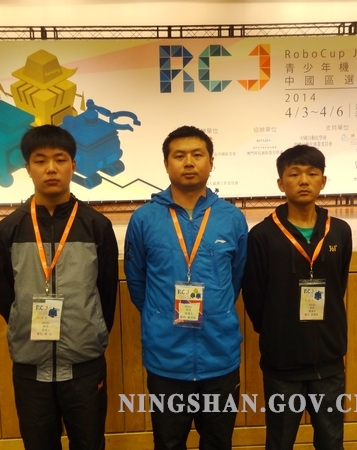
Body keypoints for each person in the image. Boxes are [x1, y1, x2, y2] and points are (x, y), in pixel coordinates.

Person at [0, 124, 119, 450]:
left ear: (73, 165)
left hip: (84, 365)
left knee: (89, 443)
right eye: (40, 160)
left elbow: (106, 291)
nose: (51, 168)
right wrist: (21, 321)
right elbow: (1, 289)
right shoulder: (9, 228)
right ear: (27, 167)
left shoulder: (96, 226)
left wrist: (90, 329)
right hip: (31, 366)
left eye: (60, 160)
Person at [124, 125, 248, 450]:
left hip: (219, 354)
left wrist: (217, 310)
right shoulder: (144, 219)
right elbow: (137, 282)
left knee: (218, 442)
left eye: (197, 155)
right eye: (179, 156)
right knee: (168, 442)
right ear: (166, 164)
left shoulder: (231, 218)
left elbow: (236, 278)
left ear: (211, 162)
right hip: (166, 357)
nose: (189, 162)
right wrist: (159, 315)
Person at [241, 145, 353, 450]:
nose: (303, 180)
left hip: (329, 363)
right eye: (294, 174)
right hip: (282, 365)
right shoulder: (262, 236)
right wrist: (277, 332)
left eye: (312, 174)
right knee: (279, 441)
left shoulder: (340, 232)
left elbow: (338, 285)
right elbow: (254, 296)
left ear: (323, 181)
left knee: (331, 441)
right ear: (281, 183)